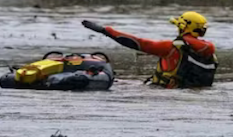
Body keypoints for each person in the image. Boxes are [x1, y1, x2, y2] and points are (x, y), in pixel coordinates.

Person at [82, 11, 218, 88]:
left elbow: (138, 43)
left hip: (165, 93)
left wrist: (107, 31)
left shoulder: (171, 48)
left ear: (183, 27)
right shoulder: (210, 53)